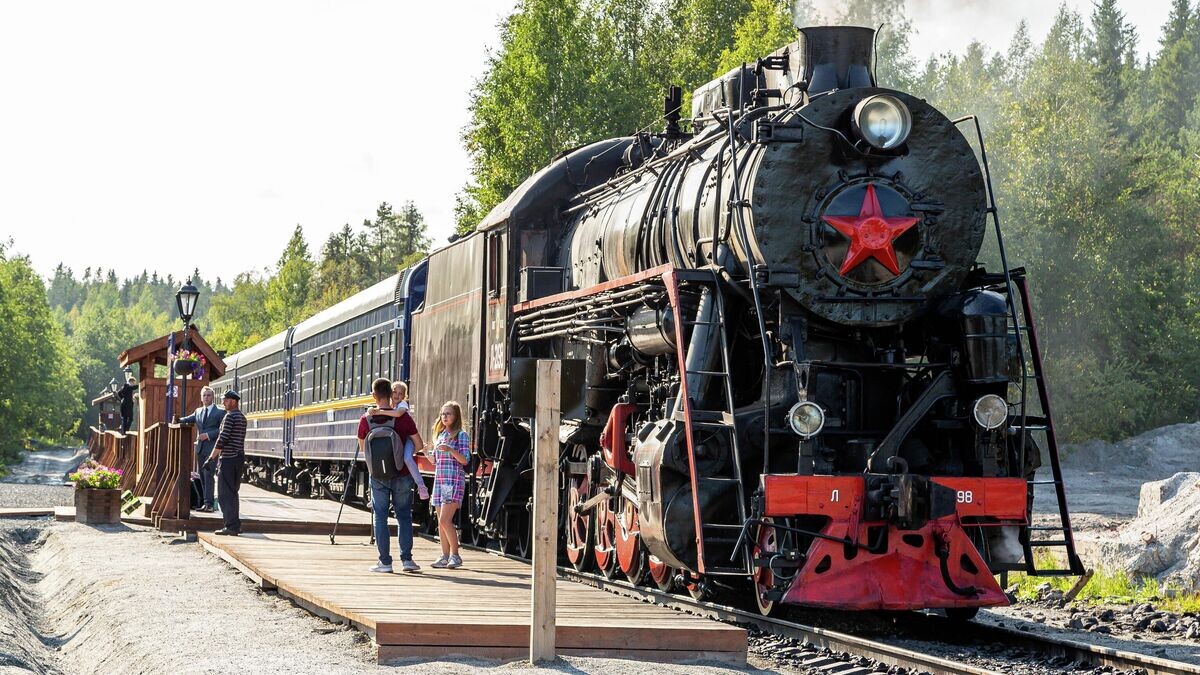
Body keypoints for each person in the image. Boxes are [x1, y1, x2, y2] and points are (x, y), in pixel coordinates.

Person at [359, 377, 425, 573]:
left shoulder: (366, 419)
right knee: (404, 516)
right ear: (390, 395)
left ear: (374, 395)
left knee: (380, 516)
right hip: (402, 474)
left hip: (378, 474)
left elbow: (363, 447)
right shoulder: (403, 417)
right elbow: (419, 445)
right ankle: (407, 560)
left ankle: (385, 562)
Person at [427, 401, 470, 569]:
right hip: (440, 481)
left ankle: (456, 555)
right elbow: (435, 461)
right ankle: (444, 556)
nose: (444, 417)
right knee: (440, 521)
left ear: (456, 416)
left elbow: (465, 460)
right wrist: (426, 453)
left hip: (453, 481)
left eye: (448, 414)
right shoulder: (441, 435)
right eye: (443, 414)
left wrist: (451, 450)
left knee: (445, 520)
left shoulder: (461, 435)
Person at [367, 381, 427, 500]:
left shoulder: (402, 405)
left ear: (404, 397)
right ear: (390, 392)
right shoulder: (389, 405)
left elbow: (398, 414)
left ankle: (421, 485)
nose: (397, 395)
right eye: (395, 392)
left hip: (408, 439)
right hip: (395, 442)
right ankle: (371, 493)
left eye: (401, 394)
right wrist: (371, 410)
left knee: (407, 458)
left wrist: (378, 411)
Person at [206, 390, 247, 536]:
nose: (223, 402)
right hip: (239, 458)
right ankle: (235, 525)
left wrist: (211, 458)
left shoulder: (229, 417)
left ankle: (230, 526)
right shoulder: (242, 417)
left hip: (228, 459)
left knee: (224, 494)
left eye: (226, 400)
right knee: (233, 492)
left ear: (233, 401)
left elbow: (222, 439)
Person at [179, 386, 224, 512]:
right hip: (200, 449)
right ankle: (205, 502)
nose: (206, 397)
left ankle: (209, 504)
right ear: (201, 397)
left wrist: (208, 435)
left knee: (208, 475)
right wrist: (177, 419)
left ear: (213, 397)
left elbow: (222, 430)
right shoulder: (198, 411)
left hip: (212, 449)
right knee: (202, 477)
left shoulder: (220, 412)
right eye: (204, 395)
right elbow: (189, 419)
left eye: (208, 395)